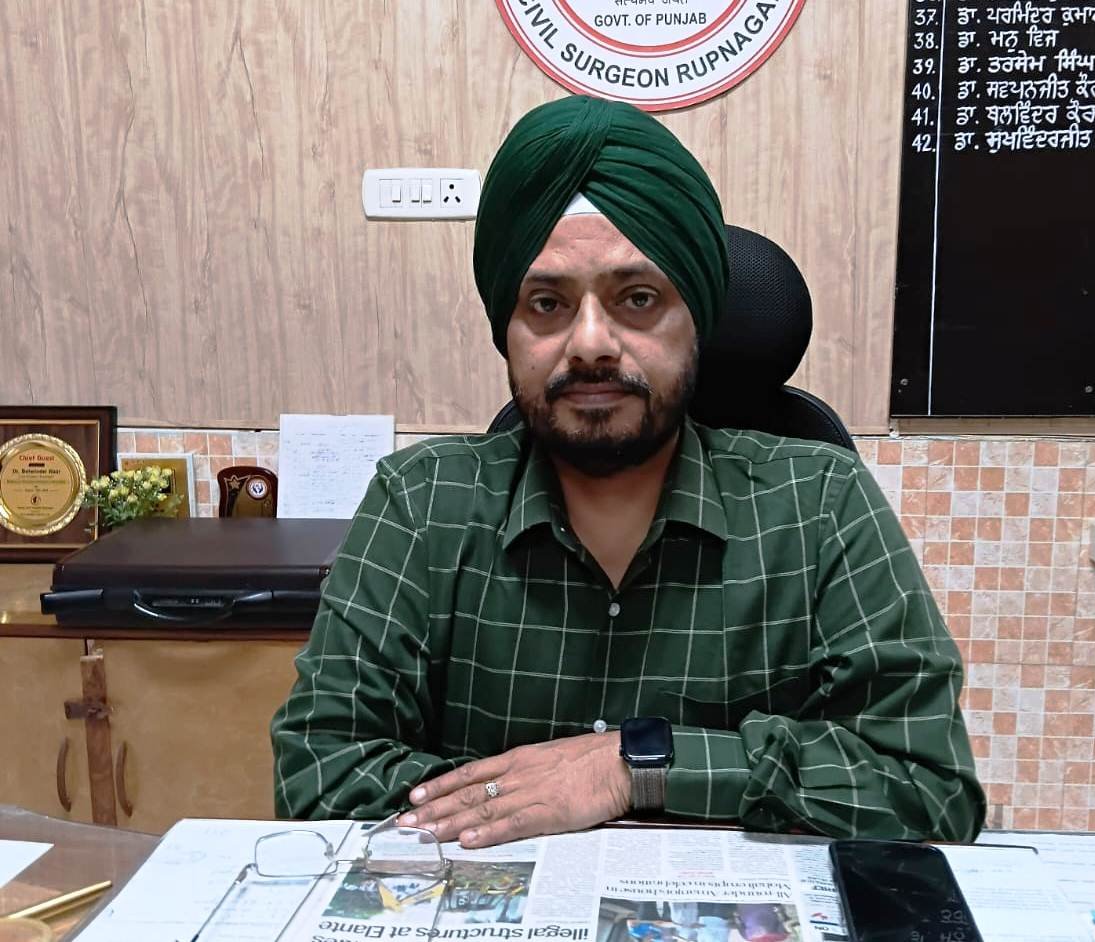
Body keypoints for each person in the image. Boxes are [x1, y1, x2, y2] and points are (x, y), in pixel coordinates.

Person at [271, 95, 985, 848]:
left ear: (696, 319)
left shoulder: (821, 501)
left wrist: (634, 766)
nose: (590, 344)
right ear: (507, 329)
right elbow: (319, 771)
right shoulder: (420, 503)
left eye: (638, 299)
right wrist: (532, 796)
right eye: (547, 303)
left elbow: (926, 787)